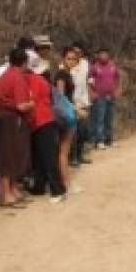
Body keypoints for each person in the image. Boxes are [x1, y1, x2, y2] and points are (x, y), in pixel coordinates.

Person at [0, 48, 33, 208]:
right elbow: (21, 105)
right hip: (12, 118)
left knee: (12, 154)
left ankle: (12, 189)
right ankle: (6, 193)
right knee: (8, 155)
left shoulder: (4, 76)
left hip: (2, 116)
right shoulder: (17, 78)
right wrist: (31, 104)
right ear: (24, 62)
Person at [27, 57, 66, 201]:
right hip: (44, 120)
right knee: (41, 156)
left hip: (40, 121)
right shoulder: (43, 81)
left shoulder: (33, 81)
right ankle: (40, 185)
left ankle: (57, 189)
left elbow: (31, 100)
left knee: (47, 157)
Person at [52, 68, 79, 196]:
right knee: (63, 152)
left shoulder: (64, 75)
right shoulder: (62, 76)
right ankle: (66, 183)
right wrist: (75, 109)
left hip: (64, 115)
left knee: (62, 152)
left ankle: (64, 182)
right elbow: (61, 97)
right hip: (66, 116)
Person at [64, 45, 91, 166]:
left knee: (83, 131)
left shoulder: (85, 64)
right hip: (73, 104)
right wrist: (74, 105)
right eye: (75, 52)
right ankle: (73, 157)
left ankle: (80, 155)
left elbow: (87, 80)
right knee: (73, 132)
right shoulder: (66, 70)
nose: (77, 54)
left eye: (79, 52)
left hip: (83, 101)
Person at [89, 49, 121, 149]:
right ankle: (100, 141)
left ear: (108, 55)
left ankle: (109, 139)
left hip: (111, 96)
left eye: (105, 54)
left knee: (109, 118)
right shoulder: (95, 67)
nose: (103, 56)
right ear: (98, 56)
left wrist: (118, 90)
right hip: (100, 97)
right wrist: (92, 92)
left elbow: (118, 78)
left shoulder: (112, 66)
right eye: (101, 54)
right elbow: (89, 81)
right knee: (100, 119)